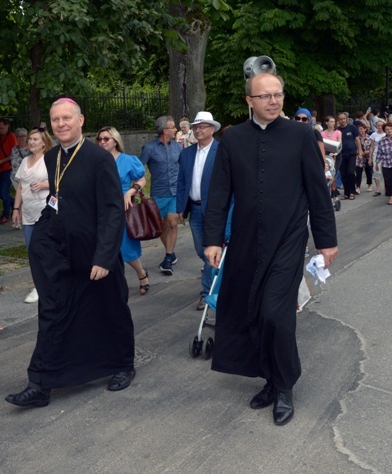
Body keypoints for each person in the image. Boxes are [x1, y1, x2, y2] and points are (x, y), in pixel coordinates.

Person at [203, 73, 338, 427]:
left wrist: (326, 241)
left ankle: (284, 387)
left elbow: (317, 192)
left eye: (277, 95)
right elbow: (219, 193)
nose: (273, 101)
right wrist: (213, 239)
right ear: (249, 100)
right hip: (246, 241)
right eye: (265, 96)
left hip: (287, 239)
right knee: (254, 313)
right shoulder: (233, 139)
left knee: (277, 314)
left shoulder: (301, 136)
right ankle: (269, 378)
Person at [5, 98, 135, 408]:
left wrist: (104, 257)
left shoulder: (98, 158)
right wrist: (41, 237)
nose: (61, 124)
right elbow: (57, 198)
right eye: (55, 119)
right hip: (64, 253)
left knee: (110, 310)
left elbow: (113, 210)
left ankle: (123, 365)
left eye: (67, 118)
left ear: (80, 120)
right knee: (54, 312)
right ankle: (41, 383)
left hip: (96, 253)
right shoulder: (51, 157)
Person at [176, 112, 221, 311]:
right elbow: (181, 182)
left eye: (202, 126)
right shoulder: (186, 153)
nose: (198, 130)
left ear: (212, 129)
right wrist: (180, 208)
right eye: (196, 127)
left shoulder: (221, 152)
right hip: (194, 208)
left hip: (214, 210)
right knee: (201, 250)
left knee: (210, 250)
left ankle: (207, 292)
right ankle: (216, 276)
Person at [97, 126, 150, 295]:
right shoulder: (96, 161)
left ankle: (141, 273)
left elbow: (142, 179)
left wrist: (130, 191)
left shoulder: (128, 160)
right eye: (100, 139)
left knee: (125, 247)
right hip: (101, 206)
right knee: (105, 245)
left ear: (115, 141)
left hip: (123, 206)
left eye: (106, 139)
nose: (102, 142)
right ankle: (115, 283)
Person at [11, 127, 52, 304]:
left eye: (36, 139)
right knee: (32, 251)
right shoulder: (25, 160)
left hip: (46, 212)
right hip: (28, 213)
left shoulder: (49, 160)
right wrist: (15, 209)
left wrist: (44, 185)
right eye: (30, 139)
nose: (32, 142)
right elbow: (20, 187)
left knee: (47, 249)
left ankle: (49, 284)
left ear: (44, 142)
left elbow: (60, 182)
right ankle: (39, 284)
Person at [139, 115, 182, 275]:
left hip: (176, 192)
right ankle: (170, 251)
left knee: (172, 223)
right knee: (162, 226)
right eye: (173, 127)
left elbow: (184, 167)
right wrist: (137, 185)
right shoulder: (149, 148)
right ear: (165, 130)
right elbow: (139, 168)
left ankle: (168, 258)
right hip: (159, 193)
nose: (176, 129)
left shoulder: (177, 147)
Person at [0, 118, 18, 224]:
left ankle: (5, 216)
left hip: (8, 168)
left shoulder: (11, 136)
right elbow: (3, 150)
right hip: (1, 168)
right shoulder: (1, 138)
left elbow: (14, 153)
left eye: (1, 128)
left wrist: (1, 161)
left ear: (7, 126)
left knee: (4, 192)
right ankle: (15, 203)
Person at [337, 112, 363, 200]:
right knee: (343, 174)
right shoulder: (337, 130)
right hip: (341, 155)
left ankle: (352, 191)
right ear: (338, 120)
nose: (342, 120)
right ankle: (346, 193)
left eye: (344, 119)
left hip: (352, 154)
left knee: (350, 172)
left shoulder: (352, 128)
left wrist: (360, 153)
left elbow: (357, 140)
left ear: (346, 119)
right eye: (340, 119)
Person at [373, 122, 392, 205]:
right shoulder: (382, 141)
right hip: (386, 163)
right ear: (384, 131)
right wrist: (377, 163)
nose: (389, 131)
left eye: (390, 129)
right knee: (388, 180)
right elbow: (379, 152)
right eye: (387, 129)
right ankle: (391, 196)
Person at [355, 123, 373, 195]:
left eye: (362, 129)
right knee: (358, 172)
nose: (360, 131)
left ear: (365, 129)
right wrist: (358, 152)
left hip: (367, 156)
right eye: (359, 129)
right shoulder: (356, 138)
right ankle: (358, 186)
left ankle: (369, 184)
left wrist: (367, 152)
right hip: (359, 157)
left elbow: (372, 147)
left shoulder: (370, 138)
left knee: (368, 171)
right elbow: (354, 147)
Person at [369, 119, 386, 195]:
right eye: (378, 125)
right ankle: (378, 188)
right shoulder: (373, 134)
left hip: (385, 154)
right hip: (376, 154)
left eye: (381, 125)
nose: (379, 127)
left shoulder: (386, 134)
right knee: (376, 171)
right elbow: (372, 147)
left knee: (386, 172)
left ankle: (387, 188)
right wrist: (370, 157)